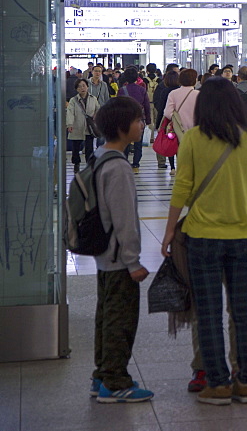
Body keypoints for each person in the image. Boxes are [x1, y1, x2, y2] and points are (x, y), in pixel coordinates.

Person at [160, 77, 247, 406]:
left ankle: (219, 385)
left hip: (203, 237)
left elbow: (182, 187)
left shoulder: (194, 138)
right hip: (245, 237)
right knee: (244, 312)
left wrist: (169, 231)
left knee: (207, 314)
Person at [89, 96, 153, 403]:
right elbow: (125, 220)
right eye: (138, 119)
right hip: (118, 259)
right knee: (120, 320)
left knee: (106, 315)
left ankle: (101, 375)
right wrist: (133, 262)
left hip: (104, 255)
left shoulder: (99, 155)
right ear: (121, 126)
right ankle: (114, 383)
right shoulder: (119, 168)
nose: (142, 124)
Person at [116, 68, 151, 174]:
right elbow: (147, 106)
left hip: (125, 119)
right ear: (137, 77)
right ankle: (136, 164)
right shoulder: (142, 90)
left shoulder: (122, 90)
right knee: (138, 143)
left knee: (125, 142)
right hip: (139, 119)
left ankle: (125, 162)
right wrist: (148, 120)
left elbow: (118, 106)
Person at [67, 78, 100, 171]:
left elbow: (98, 109)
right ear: (76, 89)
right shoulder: (73, 100)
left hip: (89, 127)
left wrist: (96, 116)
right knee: (76, 147)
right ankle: (76, 164)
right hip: (77, 126)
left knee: (89, 148)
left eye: (84, 85)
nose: (82, 88)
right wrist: (69, 124)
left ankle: (89, 165)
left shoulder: (93, 99)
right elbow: (70, 112)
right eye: (79, 86)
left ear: (87, 87)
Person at [153, 69, 181, 175]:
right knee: (179, 143)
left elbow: (161, 109)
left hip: (168, 121)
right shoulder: (180, 90)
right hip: (180, 121)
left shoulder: (165, 91)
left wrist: (158, 123)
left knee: (170, 142)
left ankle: (172, 167)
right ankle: (180, 166)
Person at [163, 68, 199, 145]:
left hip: (178, 130)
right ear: (194, 80)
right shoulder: (199, 94)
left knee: (181, 153)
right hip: (196, 130)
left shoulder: (173, 93)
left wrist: (176, 119)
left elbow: (167, 113)